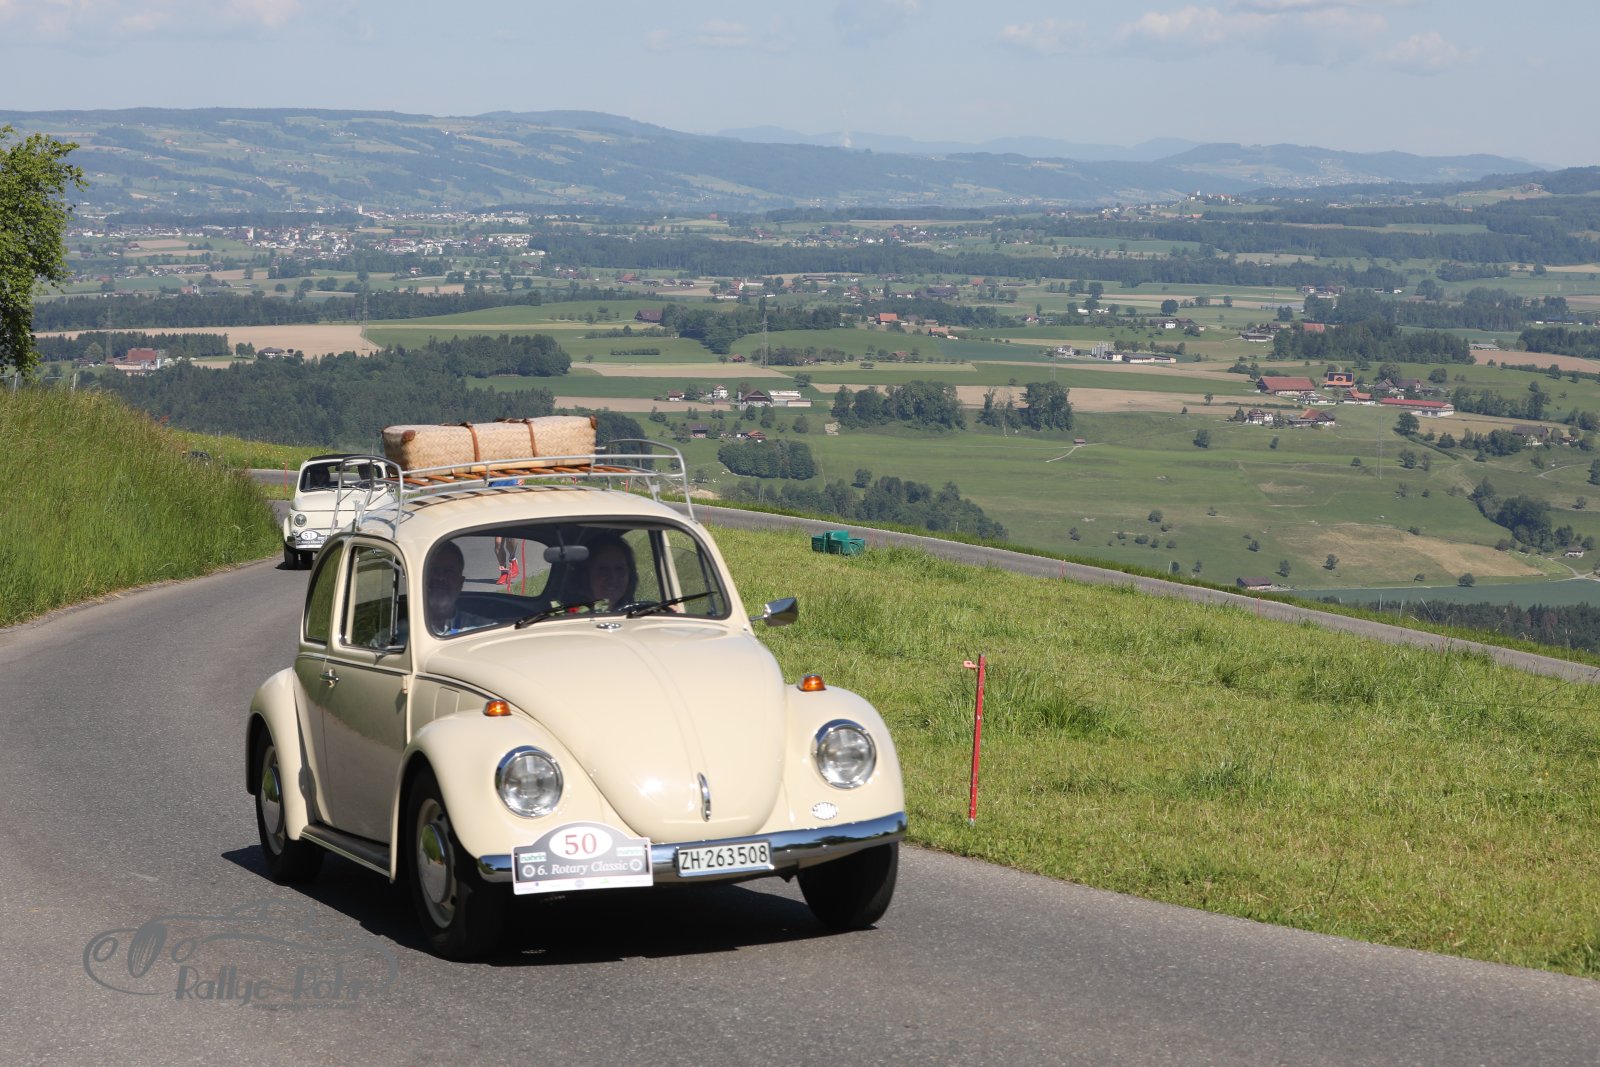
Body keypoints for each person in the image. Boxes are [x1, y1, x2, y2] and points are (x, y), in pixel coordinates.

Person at [424, 541, 493, 636]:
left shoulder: (485, 630)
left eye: (448, 571)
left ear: (460, 583)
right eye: (434, 569)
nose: (440, 577)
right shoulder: (405, 626)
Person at [583, 535, 637, 609]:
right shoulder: (572, 614)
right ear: (586, 574)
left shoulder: (636, 611)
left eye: (619, 569)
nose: (613, 577)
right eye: (603, 569)